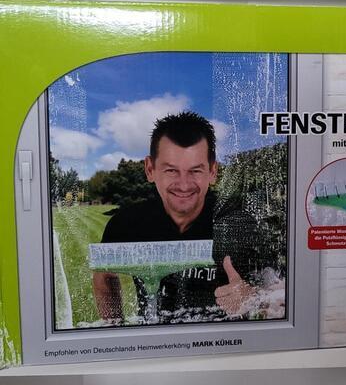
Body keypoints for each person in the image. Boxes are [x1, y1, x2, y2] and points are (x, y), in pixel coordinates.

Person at [92, 111, 281, 324]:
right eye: (171, 171)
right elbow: (104, 276)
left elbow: (279, 291)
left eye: (195, 171)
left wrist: (254, 299)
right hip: (154, 341)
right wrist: (116, 327)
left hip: (222, 341)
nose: (184, 185)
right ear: (150, 169)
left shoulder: (240, 224)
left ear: (212, 171)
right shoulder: (126, 223)